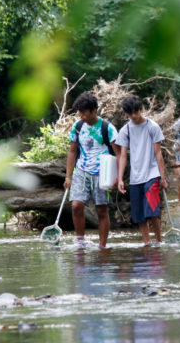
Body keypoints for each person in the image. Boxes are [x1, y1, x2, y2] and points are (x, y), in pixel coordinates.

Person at [63, 92, 120, 249]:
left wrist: (118, 178)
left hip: (103, 173)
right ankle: (80, 242)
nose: (81, 116)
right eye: (79, 113)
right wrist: (68, 177)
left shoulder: (107, 128)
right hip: (81, 170)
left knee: (101, 210)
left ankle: (102, 247)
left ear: (94, 110)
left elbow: (120, 154)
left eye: (84, 113)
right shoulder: (78, 126)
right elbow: (72, 151)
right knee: (76, 206)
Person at [116, 95, 168, 246]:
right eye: (130, 113)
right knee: (138, 215)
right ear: (126, 113)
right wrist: (120, 179)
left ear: (141, 109)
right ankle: (147, 242)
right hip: (135, 177)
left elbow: (159, 154)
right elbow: (123, 156)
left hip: (152, 174)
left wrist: (162, 179)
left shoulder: (152, 127)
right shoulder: (125, 130)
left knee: (152, 210)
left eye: (136, 111)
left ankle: (158, 240)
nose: (134, 115)